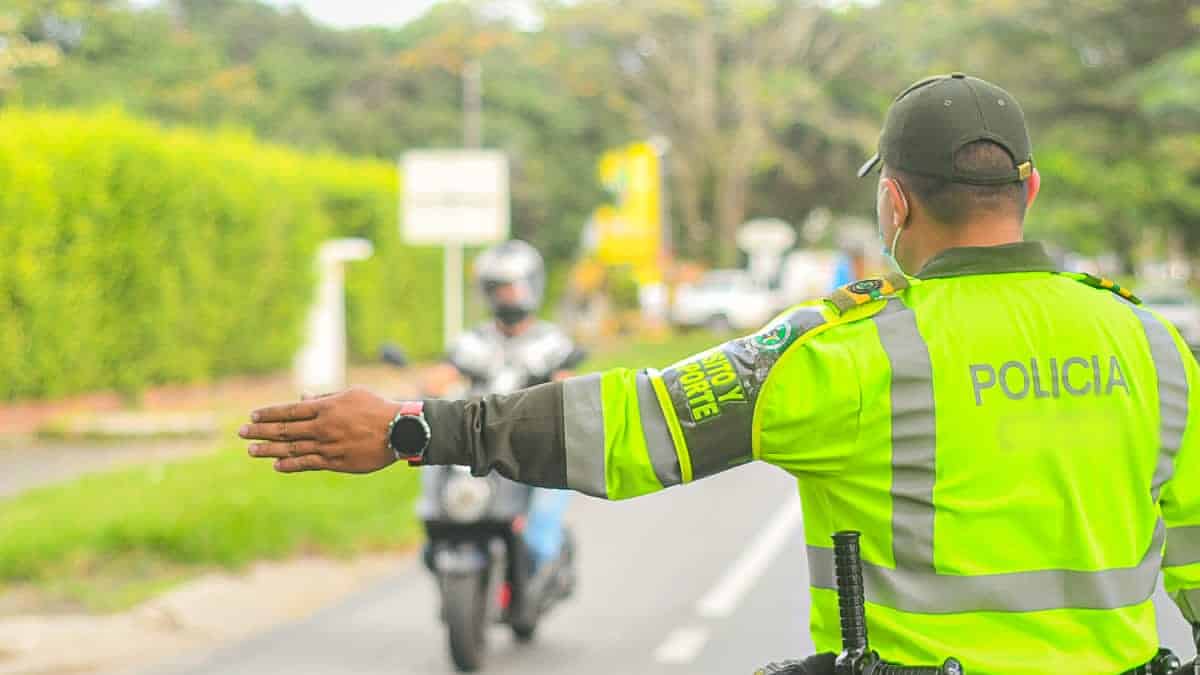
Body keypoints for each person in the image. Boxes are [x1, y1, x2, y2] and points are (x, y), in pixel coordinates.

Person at [240, 74, 1200, 673]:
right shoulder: (1156, 349)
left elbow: (628, 426)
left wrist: (415, 428)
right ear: (1028, 190)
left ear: (895, 200)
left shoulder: (850, 350)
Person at [422, 239, 579, 572]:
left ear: (531, 285)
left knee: (541, 533)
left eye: (511, 287)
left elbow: (568, 382)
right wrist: (429, 387)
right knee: (434, 476)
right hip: (480, 437)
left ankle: (543, 560)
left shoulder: (551, 342)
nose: (505, 296)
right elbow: (439, 378)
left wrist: (557, 388)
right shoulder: (472, 341)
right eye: (497, 288)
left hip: (532, 442)